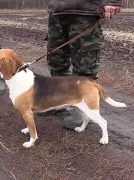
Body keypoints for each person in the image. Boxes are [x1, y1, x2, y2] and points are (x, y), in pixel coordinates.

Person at [46, 0, 122, 129]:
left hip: (85, 11)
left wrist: (112, 1)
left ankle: (85, 108)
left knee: (85, 63)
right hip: (57, 11)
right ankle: (61, 101)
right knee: (56, 60)